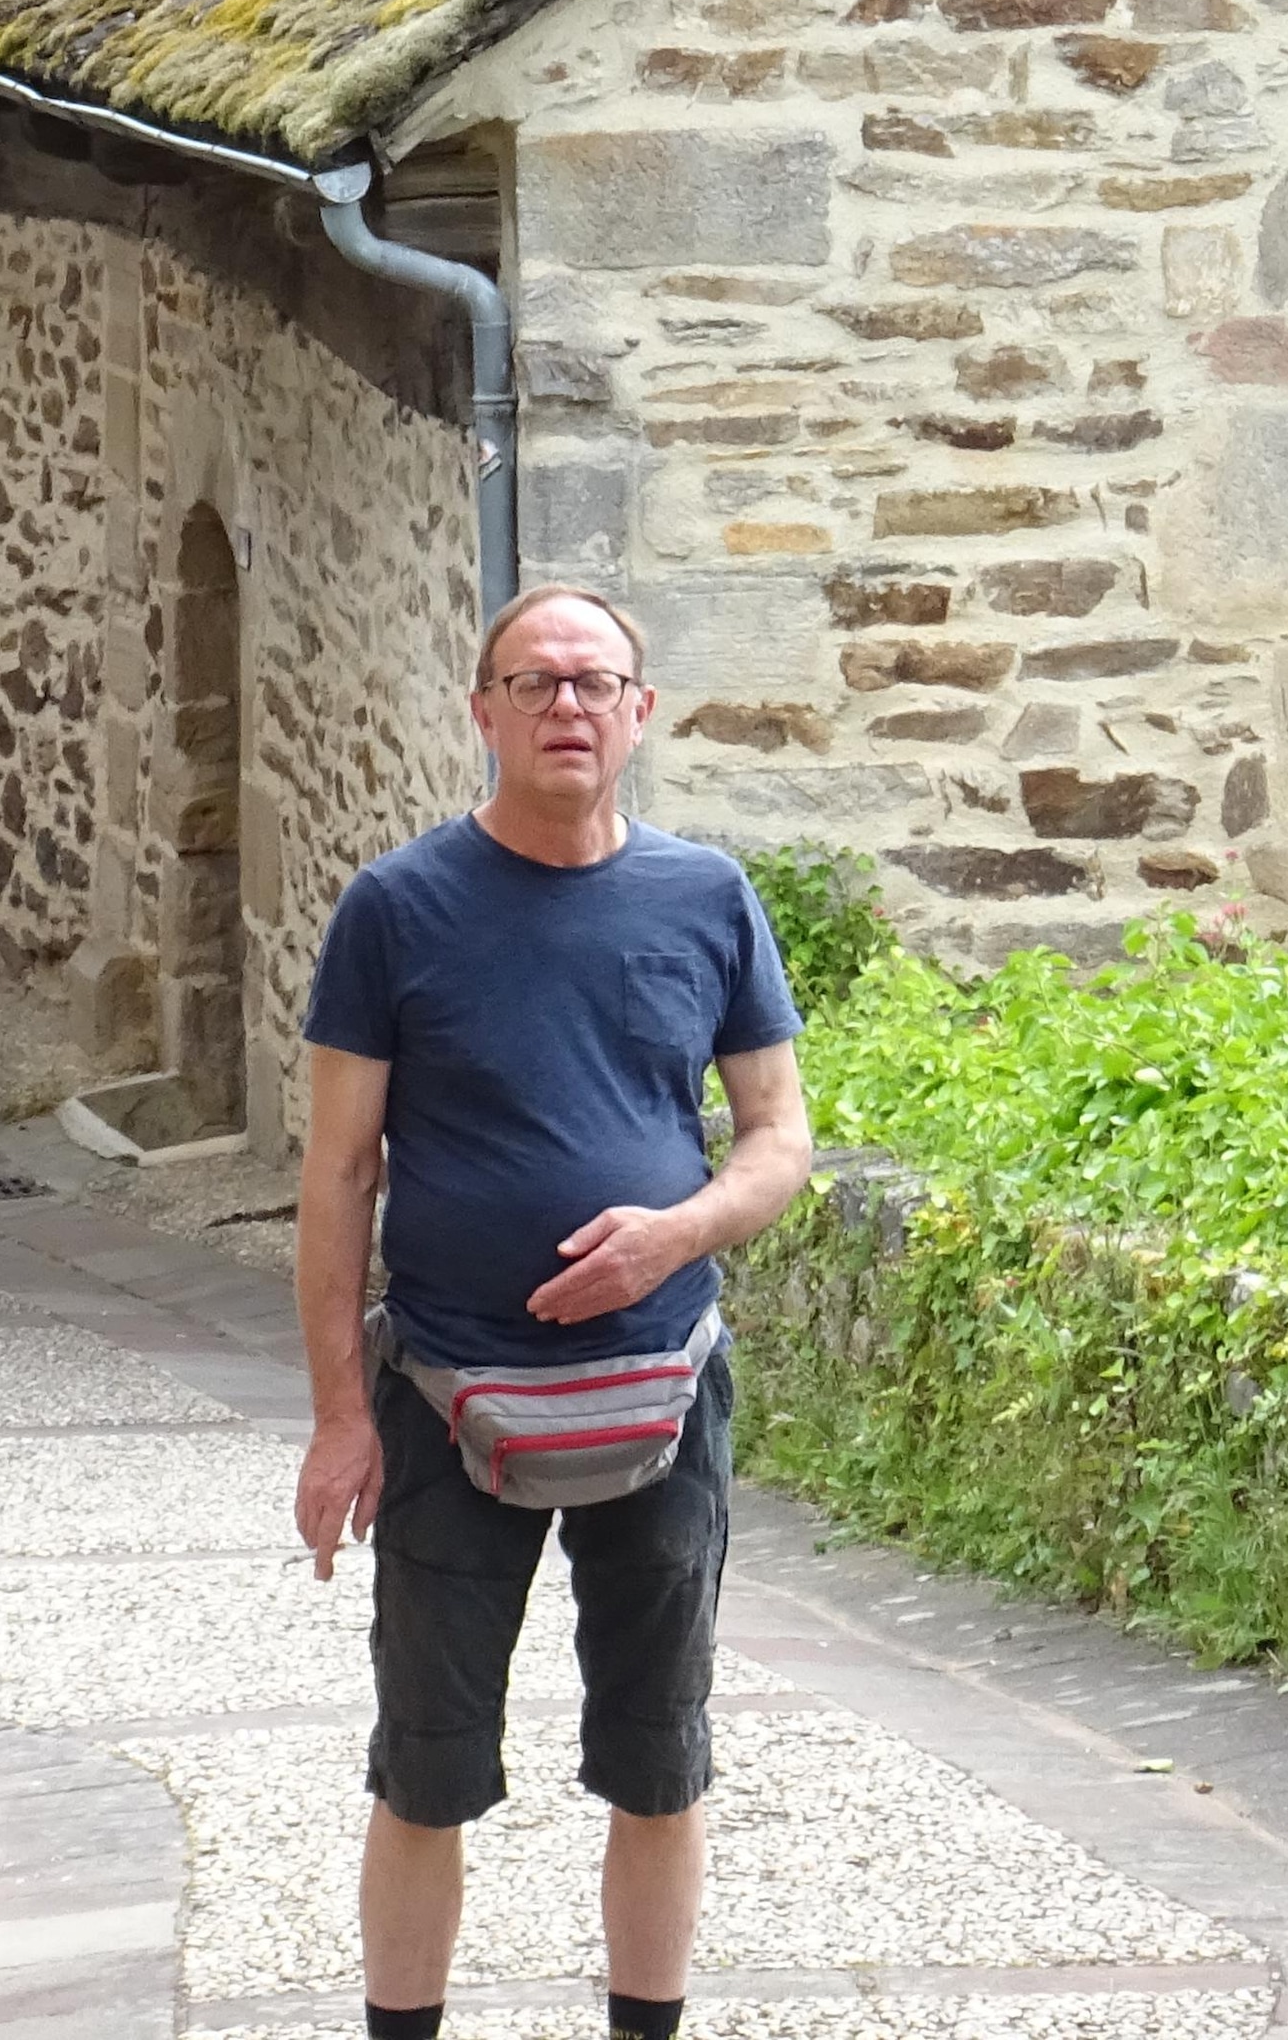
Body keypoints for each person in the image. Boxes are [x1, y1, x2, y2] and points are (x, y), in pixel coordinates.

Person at [288, 588, 810, 2040]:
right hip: (447, 1393)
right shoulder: (396, 907)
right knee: (427, 1762)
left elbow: (777, 1137)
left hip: (662, 1381)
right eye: (535, 681)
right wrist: (340, 1417)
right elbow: (336, 1174)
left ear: (641, 711)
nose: (567, 706)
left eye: (595, 681)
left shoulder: (709, 897)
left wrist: (675, 1238)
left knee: (660, 1753)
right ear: (485, 711)